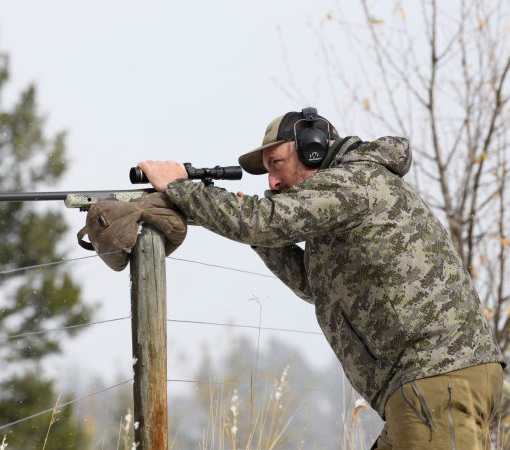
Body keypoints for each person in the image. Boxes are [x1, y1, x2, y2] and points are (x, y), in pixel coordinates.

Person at [137, 108, 505, 449]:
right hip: (434, 384)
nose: (273, 181)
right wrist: (250, 231)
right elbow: (313, 286)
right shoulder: (343, 199)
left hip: (436, 383)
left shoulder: (351, 182)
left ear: (312, 150)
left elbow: (260, 220)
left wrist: (179, 187)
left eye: (277, 164)